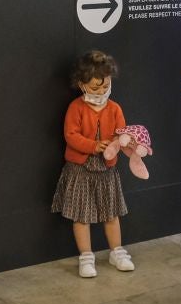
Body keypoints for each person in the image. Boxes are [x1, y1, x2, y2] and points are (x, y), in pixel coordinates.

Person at [52, 50, 136, 278]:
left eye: (105, 86)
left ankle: (117, 251)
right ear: (82, 85)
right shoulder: (76, 108)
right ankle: (86, 256)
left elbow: (122, 133)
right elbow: (70, 135)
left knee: (111, 213)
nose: (101, 91)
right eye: (95, 87)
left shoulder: (115, 108)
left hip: (107, 169)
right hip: (80, 169)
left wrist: (125, 141)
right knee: (82, 215)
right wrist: (93, 145)